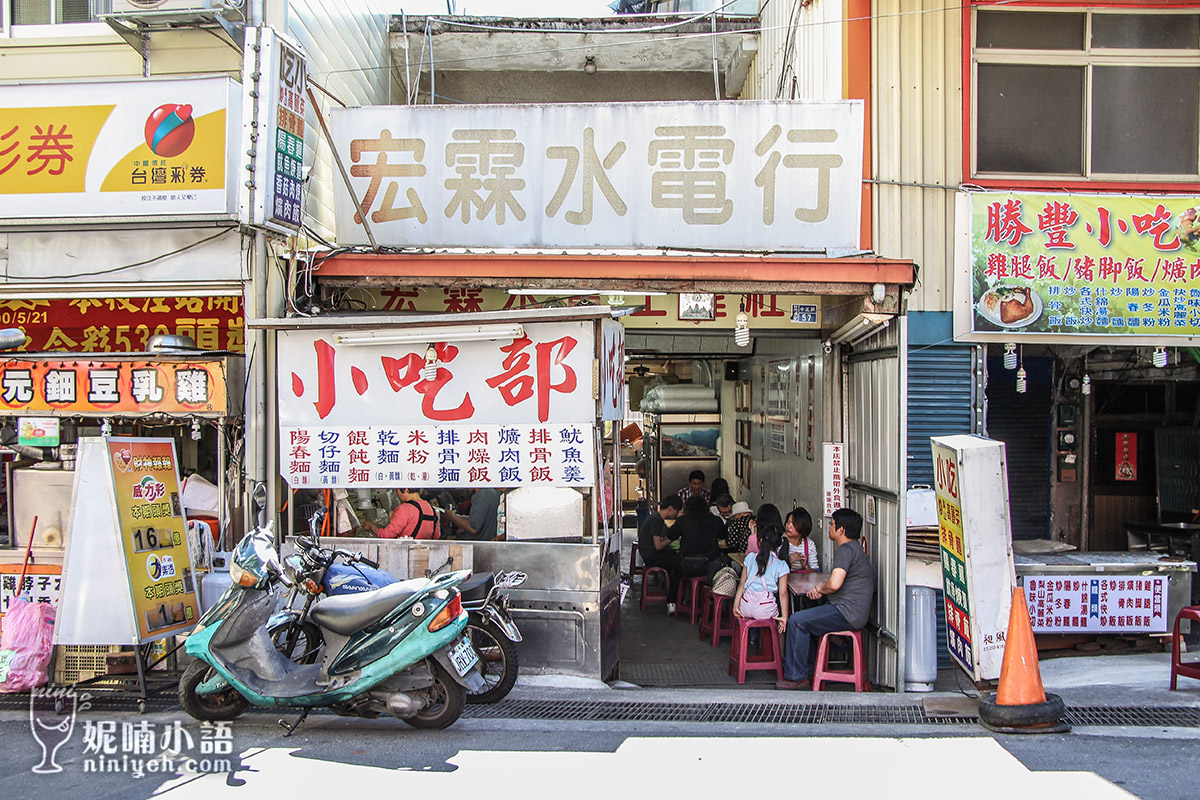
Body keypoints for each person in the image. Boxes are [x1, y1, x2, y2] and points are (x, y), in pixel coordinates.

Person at [776, 507, 875, 690]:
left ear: (841, 530)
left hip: (847, 613)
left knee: (797, 620)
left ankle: (796, 676)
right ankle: (811, 670)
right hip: (852, 611)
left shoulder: (846, 550)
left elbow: (834, 584)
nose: (829, 527)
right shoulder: (854, 549)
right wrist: (822, 590)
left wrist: (821, 588)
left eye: (832, 524)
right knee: (807, 619)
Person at [732, 521, 789, 634]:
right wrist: (784, 617)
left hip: (745, 607)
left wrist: (735, 606)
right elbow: (783, 593)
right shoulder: (781, 565)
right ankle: (779, 651)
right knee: (779, 627)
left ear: (760, 541)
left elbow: (742, 584)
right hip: (765, 609)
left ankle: (752, 638)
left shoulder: (750, 557)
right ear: (778, 544)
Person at [638, 496, 683, 612]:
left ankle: (670, 592)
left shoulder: (656, 518)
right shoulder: (656, 520)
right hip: (651, 556)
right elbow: (658, 546)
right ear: (670, 509)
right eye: (676, 511)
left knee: (674, 557)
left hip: (650, 553)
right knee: (679, 563)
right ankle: (672, 601)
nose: (676, 514)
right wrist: (672, 538)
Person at [674, 495, 724, 584]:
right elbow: (724, 535)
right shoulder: (715, 520)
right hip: (710, 566)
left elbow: (671, 535)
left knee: (674, 571)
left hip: (686, 566)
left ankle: (679, 596)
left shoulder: (683, 520)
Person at [361, 488, 440, 539]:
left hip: (404, 555)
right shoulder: (432, 510)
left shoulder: (404, 509)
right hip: (424, 554)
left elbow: (387, 535)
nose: (397, 495)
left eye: (397, 491)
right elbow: (436, 536)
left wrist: (371, 526)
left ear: (405, 489)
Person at [781, 506, 820, 572]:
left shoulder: (809, 544)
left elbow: (816, 573)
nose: (788, 526)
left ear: (803, 527)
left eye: (793, 523)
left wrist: (805, 566)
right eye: (788, 521)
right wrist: (788, 560)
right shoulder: (779, 542)